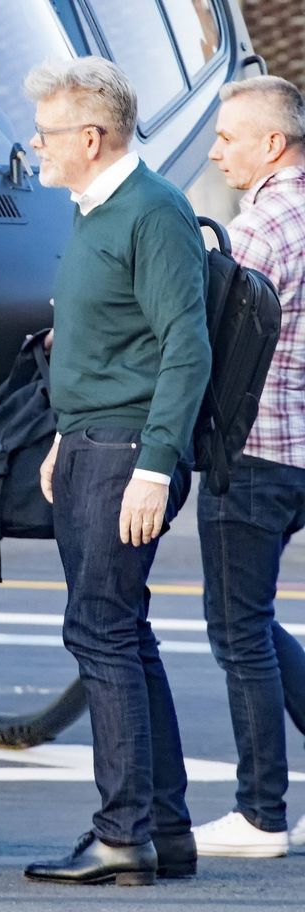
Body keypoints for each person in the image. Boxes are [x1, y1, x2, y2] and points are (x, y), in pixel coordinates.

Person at [21, 57, 211, 886]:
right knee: (123, 631)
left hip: (128, 453)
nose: (36, 147)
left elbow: (186, 347)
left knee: (100, 632)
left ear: (91, 138)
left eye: (47, 134)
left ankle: (122, 834)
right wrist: (67, 429)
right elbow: (111, 342)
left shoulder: (151, 212)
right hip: (95, 442)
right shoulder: (95, 209)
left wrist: (154, 467)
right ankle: (161, 830)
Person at [192, 75, 305, 857]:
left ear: (273, 143)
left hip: (255, 450)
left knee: (238, 630)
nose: (215, 150)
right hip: (300, 449)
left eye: (228, 137)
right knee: (260, 624)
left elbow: (209, 342)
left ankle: (262, 812)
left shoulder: (261, 227)